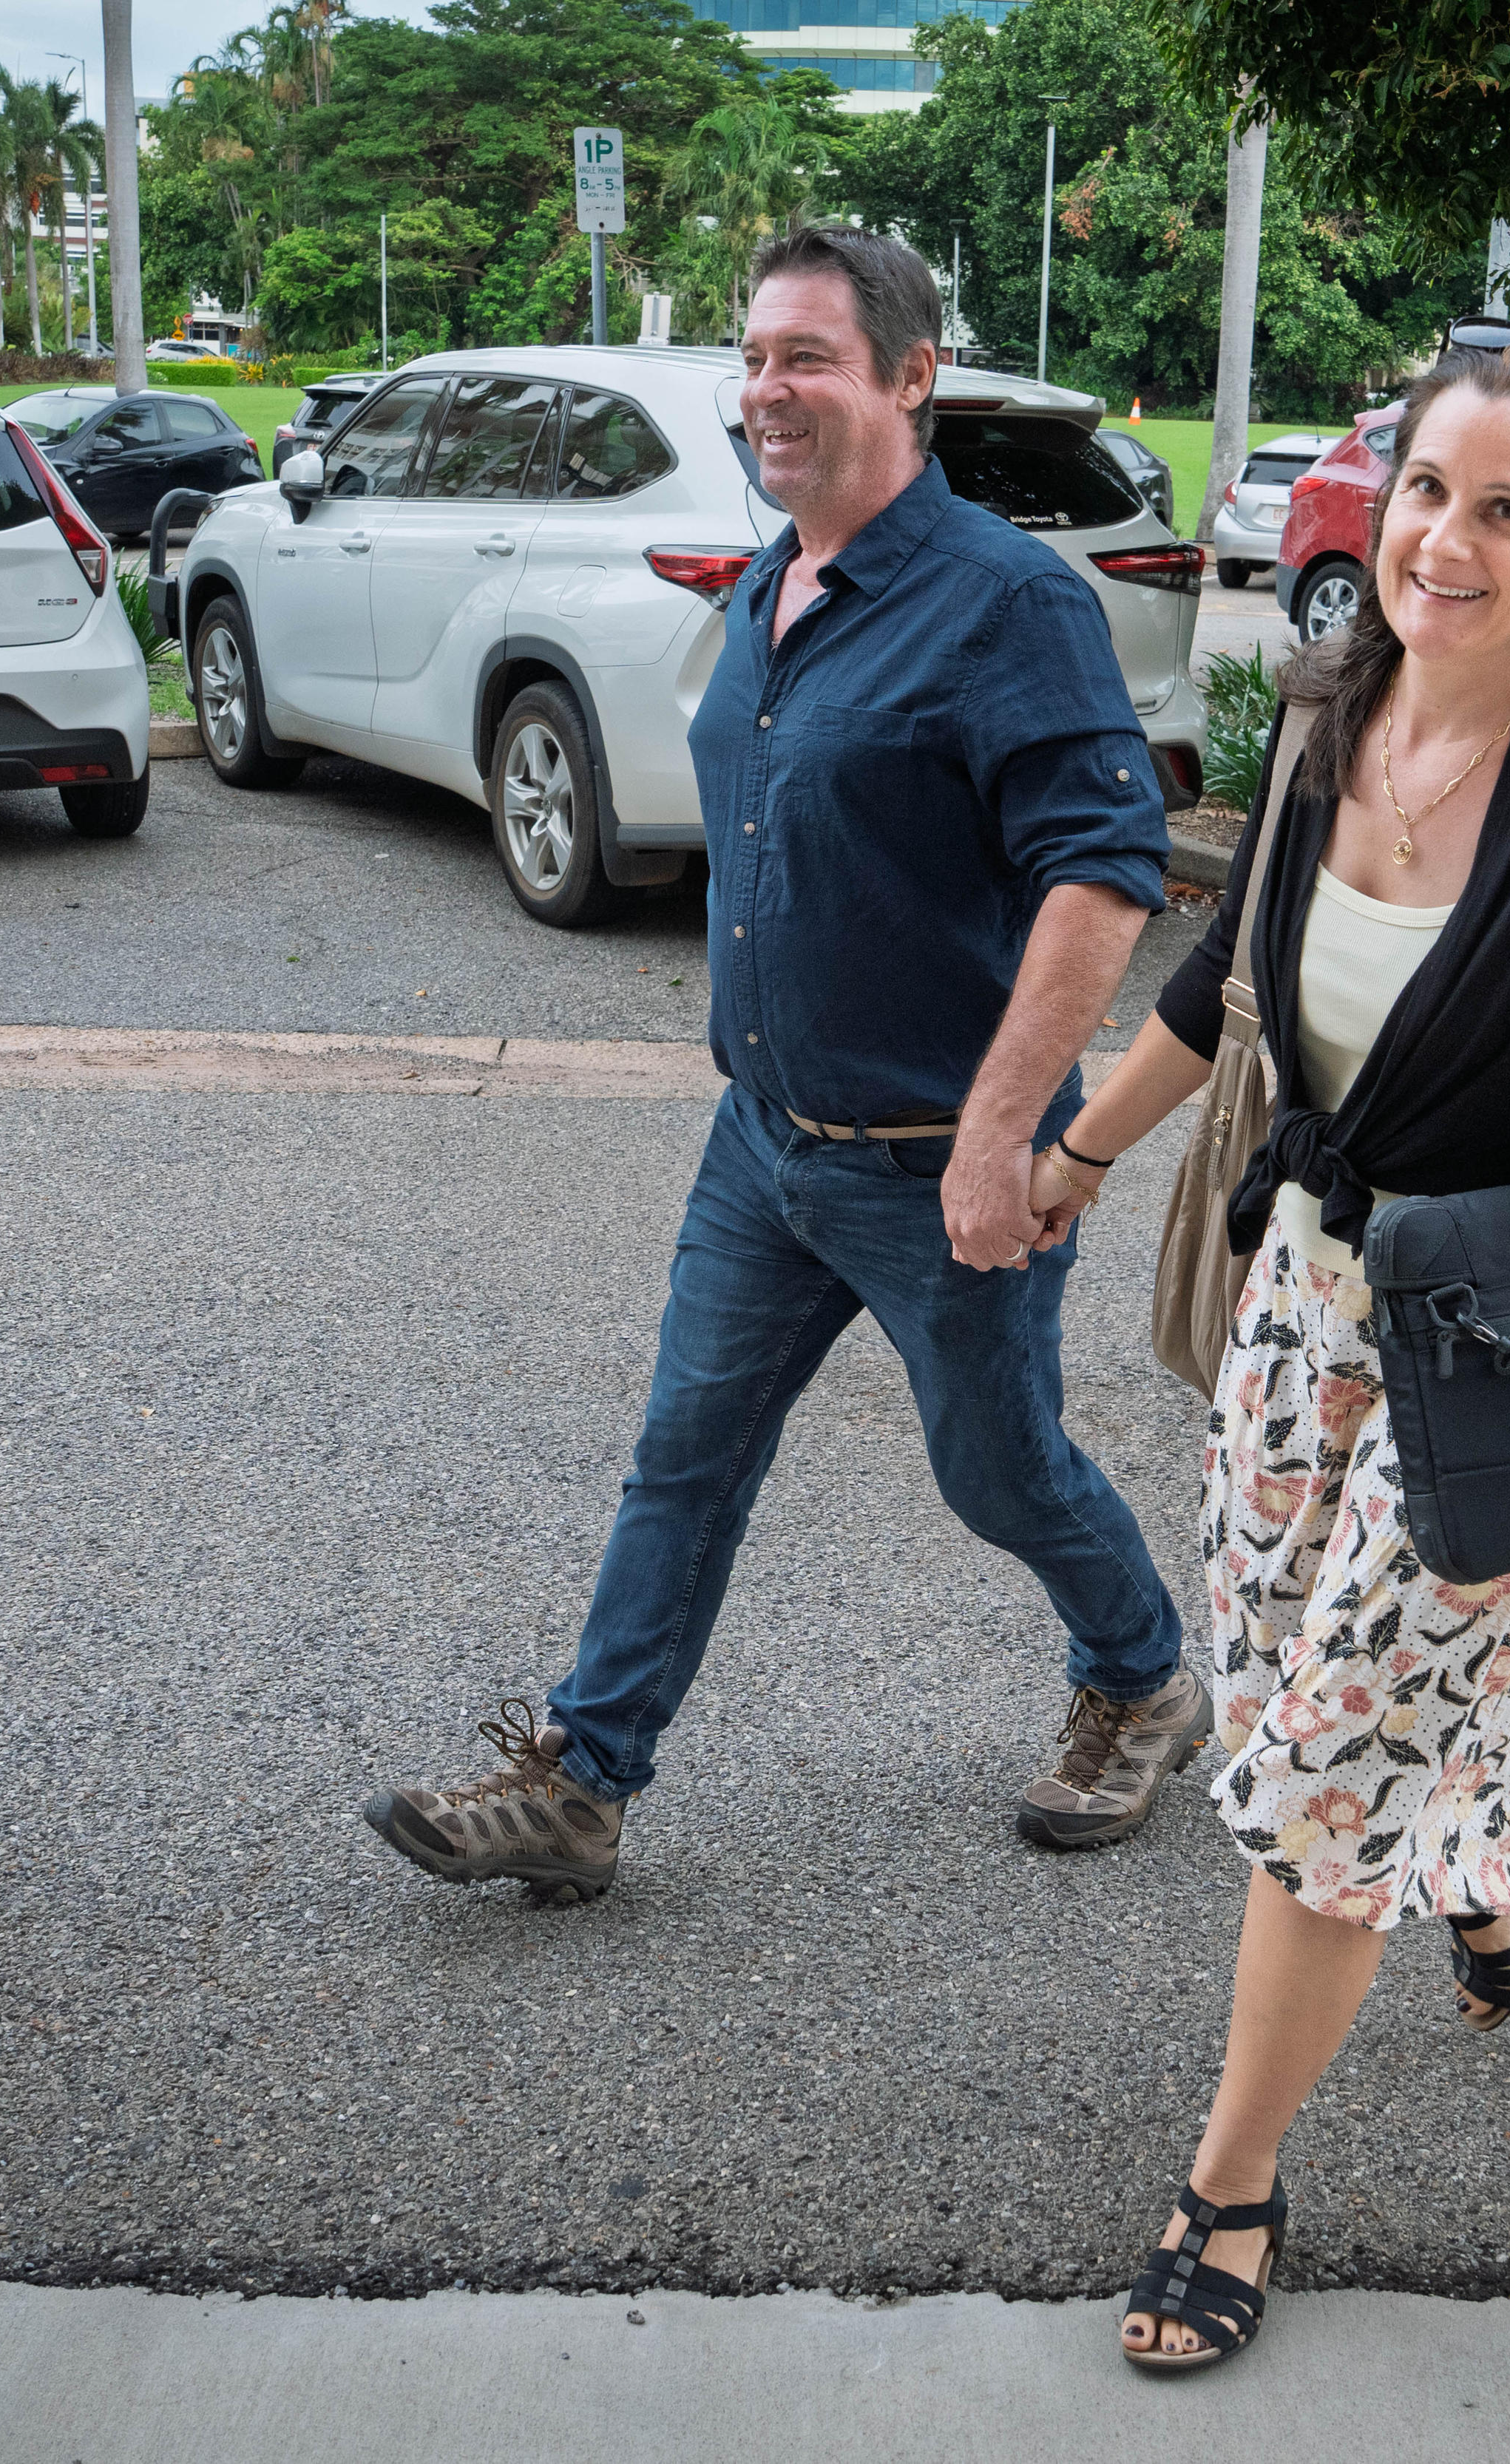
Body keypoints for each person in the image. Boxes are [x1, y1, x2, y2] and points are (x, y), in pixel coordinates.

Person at [1023, 321, 1510, 2373]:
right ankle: (1494, 1873)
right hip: (1301, 1307)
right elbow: (1227, 975)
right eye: (1428, 488)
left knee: (1329, 1763)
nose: (1445, 537)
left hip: (1491, 1351)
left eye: (1504, 509)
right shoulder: (1326, 715)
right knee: (1283, 1672)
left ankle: (1230, 2181)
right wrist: (1076, 1150)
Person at [362, 224, 1204, 1901]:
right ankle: (583, 1780)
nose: (768, 389)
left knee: (997, 1467)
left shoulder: (1007, 600)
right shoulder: (773, 578)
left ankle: (1142, 1673)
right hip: (764, 1144)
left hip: (931, 1159)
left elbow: (1104, 881)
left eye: (807, 357)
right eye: (754, 357)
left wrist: (1000, 1135)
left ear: (909, 377)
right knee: (686, 1446)